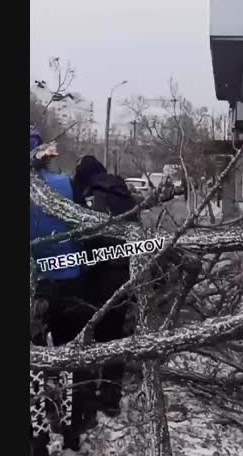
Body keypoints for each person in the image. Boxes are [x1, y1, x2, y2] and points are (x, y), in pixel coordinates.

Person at [29, 128, 86, 454]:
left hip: (34, 286)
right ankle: (71, 430)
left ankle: (38, 439)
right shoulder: (65, 183)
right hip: (69, 277)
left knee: (33, 364)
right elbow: (82, 229)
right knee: (69, 356)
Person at [71, 155, 138, 421]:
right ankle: (111, 398)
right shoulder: (125, 195)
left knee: (88, 332)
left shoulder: (91, 198)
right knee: (115, 336)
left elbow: (89, 238)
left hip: (97, 274)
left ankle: (87, 398)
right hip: (124, 274)